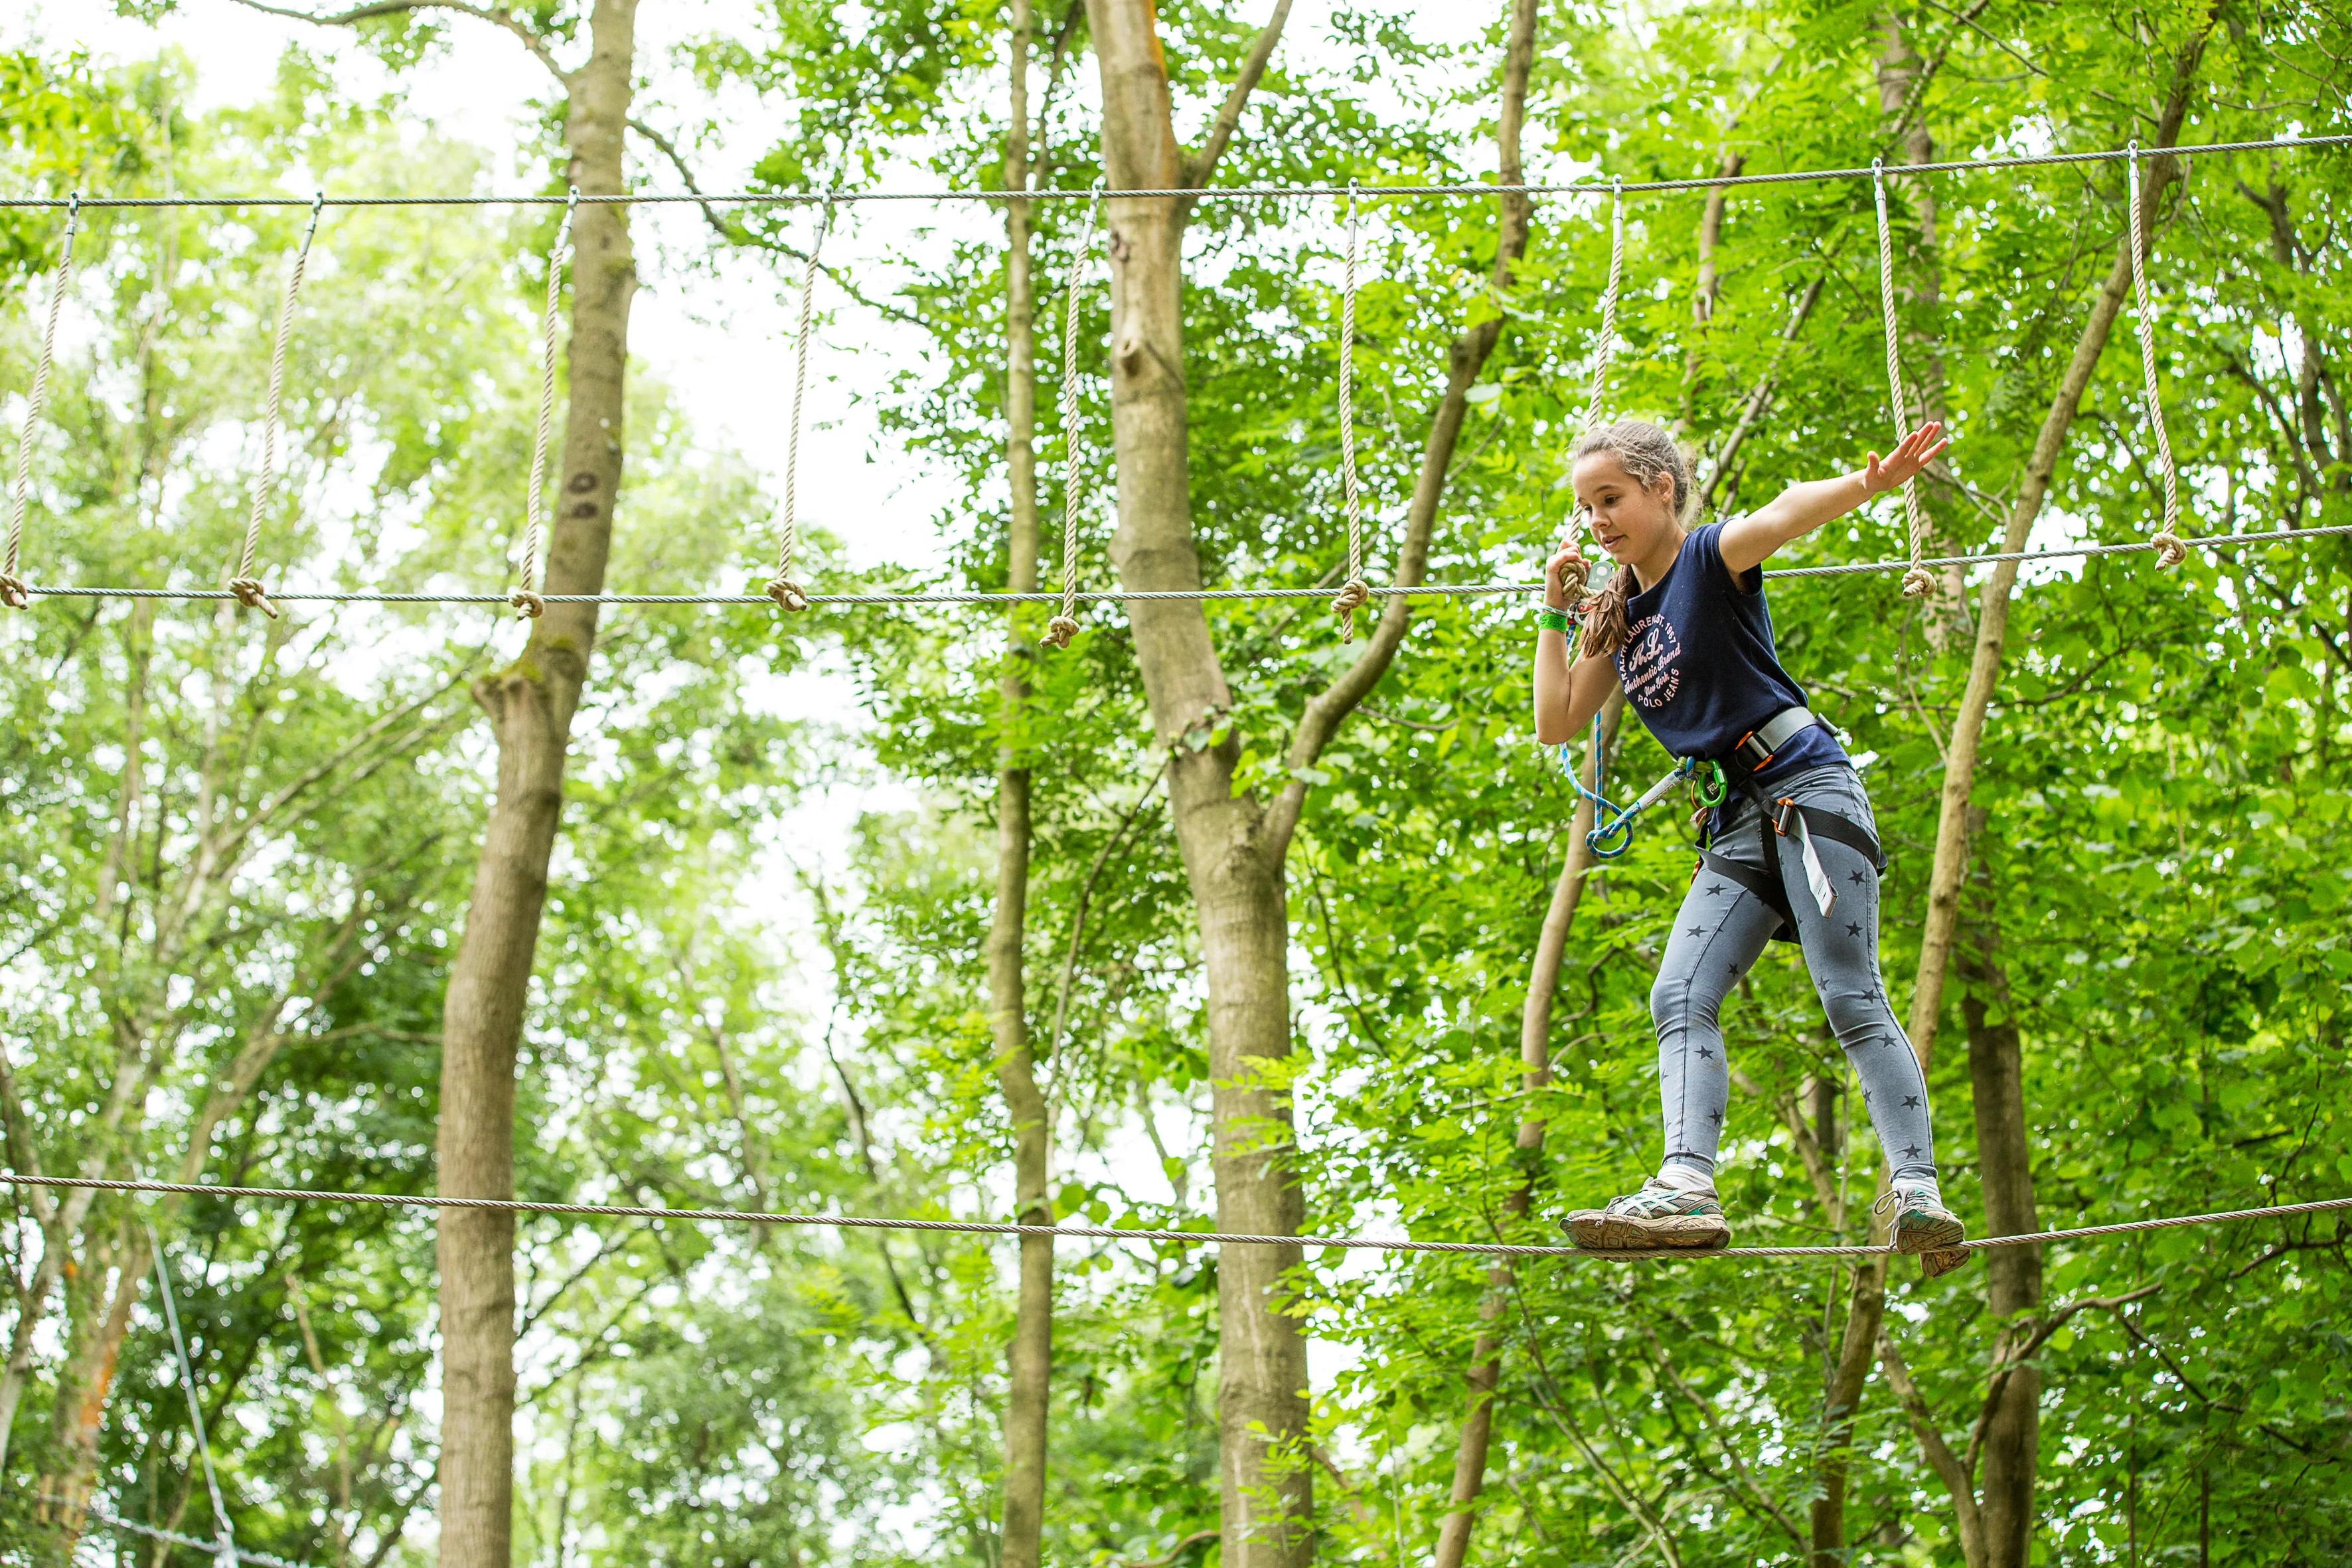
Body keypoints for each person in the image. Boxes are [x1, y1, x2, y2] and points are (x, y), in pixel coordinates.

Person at [1531, 417, 1964, 1261]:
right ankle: (1685, 1187)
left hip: (1806, 788)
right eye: (1586, 508)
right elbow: (1557, 719)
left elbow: (1786, 512)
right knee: (1677, 996)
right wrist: (1555, 611)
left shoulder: (1707, 559)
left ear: (1663, 487)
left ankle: (1917, 1191)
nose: (1597, 522)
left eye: (1610, 499)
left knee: (1849, 992)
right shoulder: (1616, 620)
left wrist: (1871, 484)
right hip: (1733, 822)